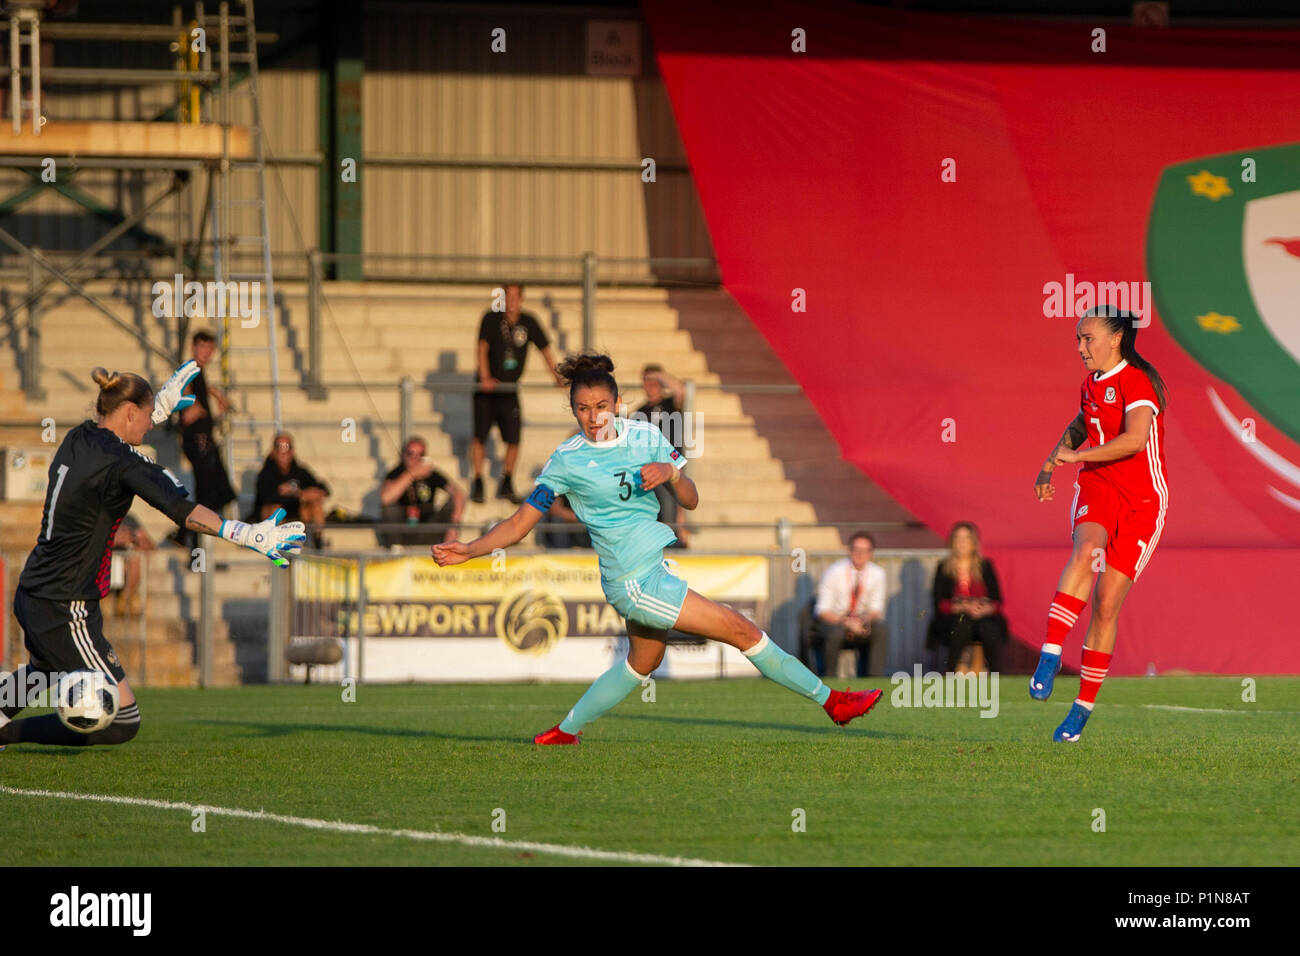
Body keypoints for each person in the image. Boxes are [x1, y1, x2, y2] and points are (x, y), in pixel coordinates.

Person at [433, 353, 883, 745]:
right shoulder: (566, 461)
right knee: (739, 628)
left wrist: (671, 474)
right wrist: (470, 549)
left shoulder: (646, 436)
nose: (593, 417)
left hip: (653, 569)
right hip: (632, 581)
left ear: (616, 404)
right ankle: (833, 702)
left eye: (601, 407)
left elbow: (691, 498)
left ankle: (565, 731)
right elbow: (519, 522)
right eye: (583, 409)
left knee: (642, 662)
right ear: (572, 410)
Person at [0, 364, 304, 750]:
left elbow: (117, 440)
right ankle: (6, 733)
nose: (150, 429)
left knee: (43, 669)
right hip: (65, 603)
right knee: (121, 721)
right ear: (129, 412)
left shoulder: (81, 437)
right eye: (146, 419)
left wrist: (157, 407)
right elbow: (183, 510)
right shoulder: (124, 463)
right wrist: (244, 533)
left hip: (38, 590)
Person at [1031, 304, 1169, 742]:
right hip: (1098, 487)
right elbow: (1079, 424)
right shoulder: (1090, 385)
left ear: (1116, 339)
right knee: (1087, 548)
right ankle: (1051, 653)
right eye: (1077, 338)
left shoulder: (1137, 381)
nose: (1080, 347)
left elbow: (1133, 440)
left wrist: (1077, 455)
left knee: (1107, 603)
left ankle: (1082, 708)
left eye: (1087, 338)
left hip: (1143, 502)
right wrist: (1050, 464)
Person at [470, 283, 563, 504]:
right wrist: (484, 377)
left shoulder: (528, 322)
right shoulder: (491, 319)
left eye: (515, 296)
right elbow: (481, 348)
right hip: (488, 388)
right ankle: (478, 479)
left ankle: (507, 480)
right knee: (480, 435)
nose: (511, 301)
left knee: (514, 437)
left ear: (521, 298)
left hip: (510, 389)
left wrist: (556, 375)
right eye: (507, 296)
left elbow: (545, 350)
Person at [174, 330, 236, 546]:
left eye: (209, 348)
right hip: (197, 440)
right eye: (202, 347)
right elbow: (183, 399)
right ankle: (191, 540)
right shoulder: (189, 370)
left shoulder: (199, 371)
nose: (206, 352)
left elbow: (198, 386)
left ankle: (185, 533)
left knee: (221, 491)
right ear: (193, 347)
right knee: (208, 492)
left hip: (205, 439)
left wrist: (215, 394)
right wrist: (194, 407)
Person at [927, 521, 1009, 673]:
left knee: (988, 628)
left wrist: (984, 609)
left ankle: (998, 674)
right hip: (953, 619)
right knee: (962, 624)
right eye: (958, 538)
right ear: (952, 542)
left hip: (983, 618)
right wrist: (963, 607)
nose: (962, 543)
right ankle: (951, 671)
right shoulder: (943, 567)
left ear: (974, 542)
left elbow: (997, 600)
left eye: (966, 538)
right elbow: (939, 603)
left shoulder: (985, 566)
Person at [815, 531, 889, 677]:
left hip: (862, 620)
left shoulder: (878, 574)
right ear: (849, 551)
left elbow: (876, 609)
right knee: (834, 633)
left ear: (871, 554)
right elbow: (822, 611)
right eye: (856, 550)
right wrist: (846, 622)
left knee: (881, 629)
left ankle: (874, 680)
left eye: (865, 551)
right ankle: (830, 681)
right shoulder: (834, 572)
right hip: (837, 620)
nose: (860, 554)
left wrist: (862, 621)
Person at [636, 364, 690, 547]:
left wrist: (660, 374)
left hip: (671, 464)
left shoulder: (670, 404)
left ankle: (676, 542)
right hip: (650, 467)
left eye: (654, 381)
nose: (649, 386)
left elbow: (680, 391)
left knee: (674, 507)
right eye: (646, 381)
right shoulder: (640, 411)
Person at [379, 435, 466, 545]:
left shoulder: (431, 474)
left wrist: (453, 526)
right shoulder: (396, 473)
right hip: (402, 530)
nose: (415, 459)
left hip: (428, 529)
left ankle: (447, 545)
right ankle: (395, 548)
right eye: (411, 454)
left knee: (454, 502)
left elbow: (459, 494)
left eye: (420, 455)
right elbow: (385, 498)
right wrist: (411, 474)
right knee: (388, 508)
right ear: (404, 455)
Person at [251, 433, 330, 547]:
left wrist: (308, 494)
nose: (283, 454)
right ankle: (278, 545)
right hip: (272, 514)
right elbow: (267, 497)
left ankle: (316, 541)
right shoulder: (266, 473)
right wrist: (298, 495)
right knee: (276, 510)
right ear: (273, 451)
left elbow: (324, 489)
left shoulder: (300, 472)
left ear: (292, 451)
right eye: (279, 449)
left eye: (287, 449)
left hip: (296, 513)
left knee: (316, 502)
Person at [109, 513, 155, 617]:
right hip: (101, 559)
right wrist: (113, 540)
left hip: (124, 562)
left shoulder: (129, 519)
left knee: (139, 555)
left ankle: (125, 600)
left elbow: (150, 546)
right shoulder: (96, 515)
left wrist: (134, 538)